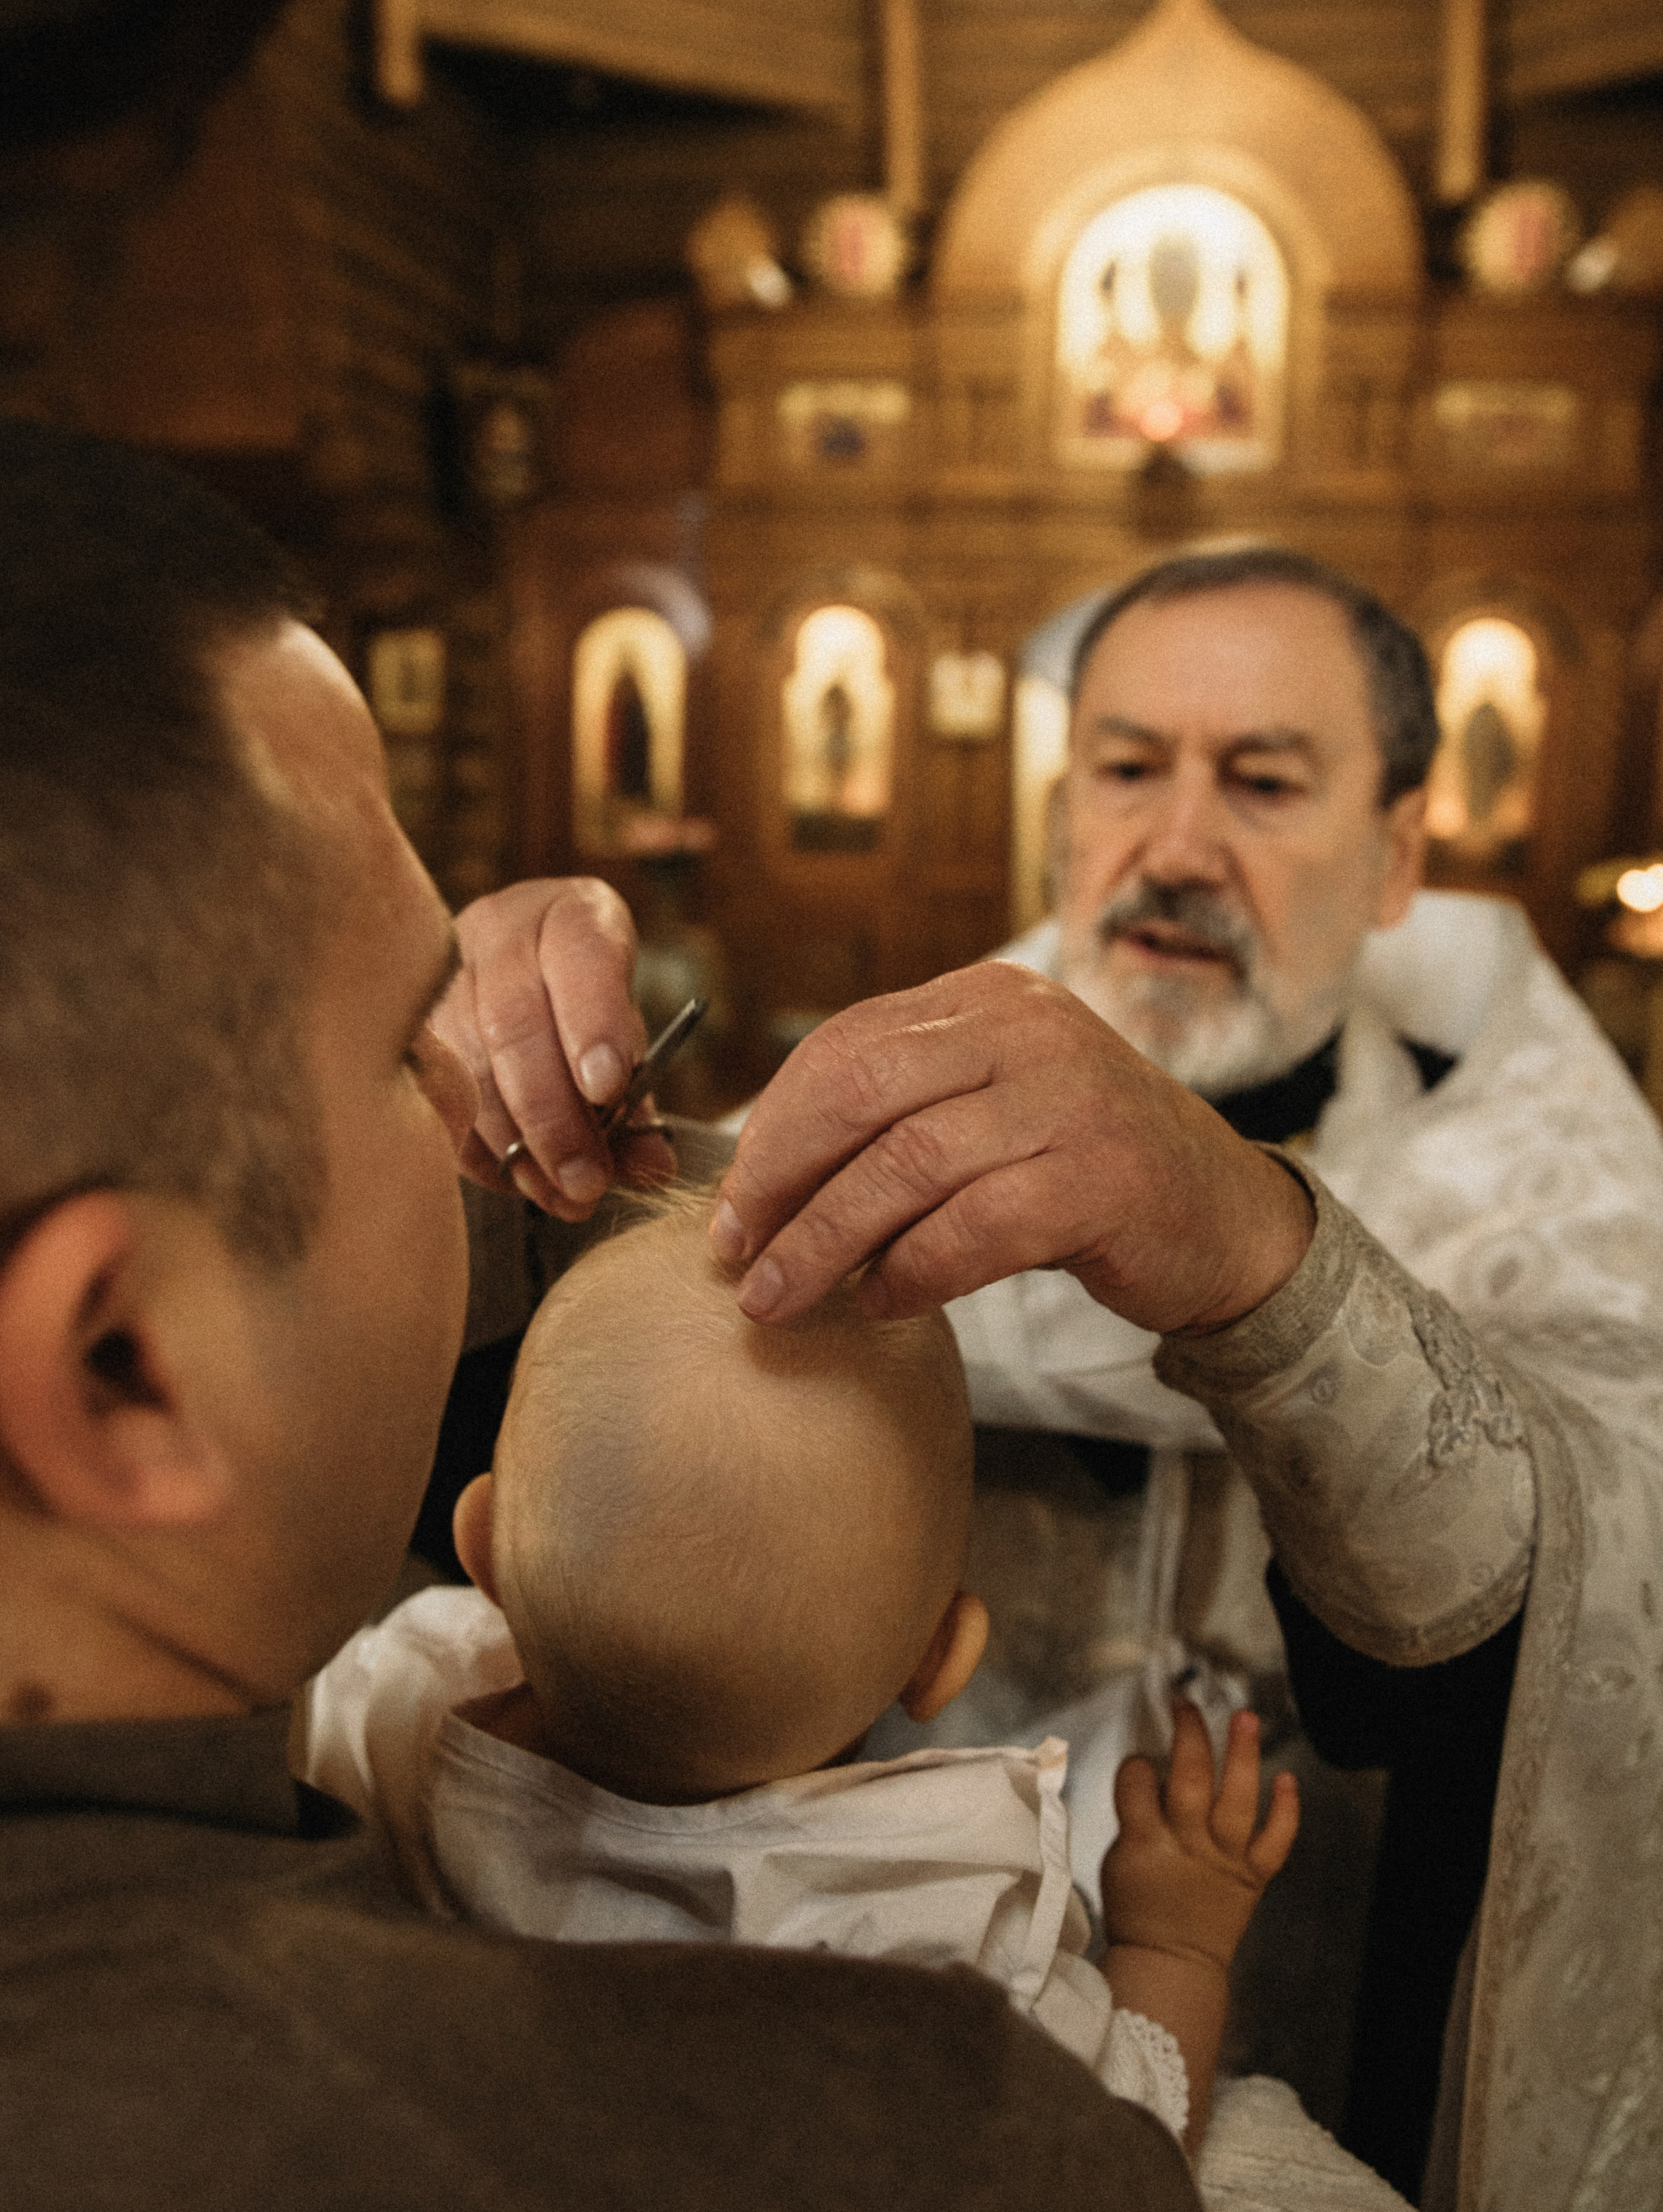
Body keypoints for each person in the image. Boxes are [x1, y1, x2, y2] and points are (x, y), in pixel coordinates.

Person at [0, 420, 1205, 2212]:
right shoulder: (919, 2137)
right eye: (410, 1063)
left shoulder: (371, 1731)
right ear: (120, 1366)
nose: (473, 1098)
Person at [440, 550, 1663, 2211]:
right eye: (1124, 767)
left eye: (1260, 781)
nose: (1173, 846)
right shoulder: (859, 1119)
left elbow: (1588, 1654)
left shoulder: (1556, 1193)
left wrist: (1256, 1255)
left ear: (1394, 853)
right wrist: (468, 1116)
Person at [304, 1188, 1328, 2178]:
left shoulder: (394, 1721)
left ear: (478, 1543)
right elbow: (1126, 2146)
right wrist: (1176, 1943)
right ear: (944, 1658)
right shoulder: (938, 1938)